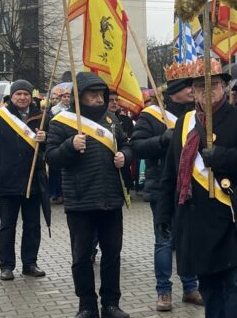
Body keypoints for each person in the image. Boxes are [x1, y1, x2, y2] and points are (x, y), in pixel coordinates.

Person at [157, 59, 237, 317]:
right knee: (211, 292)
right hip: (197, 222)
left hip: (232, 218)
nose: (207, 91)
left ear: (225, 88)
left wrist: (221, 156)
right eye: (200, 86)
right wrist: (163, 213)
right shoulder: (184, 125)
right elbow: (170, 175)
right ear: (193, 91)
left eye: (214, 84)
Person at [46, 72, 132, 318]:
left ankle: (111, 304)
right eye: (92, 94)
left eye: (101, 94)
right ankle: (86, 305)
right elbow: (51, 157)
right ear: (79, 96)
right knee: (81, 256)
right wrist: (69, 146)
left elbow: (127, 144)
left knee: (112, 254)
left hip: (111, 198)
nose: (98, 98)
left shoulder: (112, 120)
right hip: (80, 199)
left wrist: (125, 156)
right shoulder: (62, 122)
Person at [131, 72, 203, 312]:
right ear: (174, 92)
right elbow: (137, 147)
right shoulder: (151, 115)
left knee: (189, 238)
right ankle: (164, 292)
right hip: (162, 186)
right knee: (164, 240)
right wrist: (162, 140)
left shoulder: (197, 114)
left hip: (192, 186)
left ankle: (190, 287)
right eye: (187, 87)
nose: (193, 91)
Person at [0, 80, 48, 280]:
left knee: (32, 225)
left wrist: (45, 140)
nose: (22, 97)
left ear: (31, 96)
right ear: (12, 97)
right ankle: (6, 266)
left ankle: (30, 263)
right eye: (18, 94)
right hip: (8, 180)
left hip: (33, 181)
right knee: (8, 226)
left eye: (26, 94)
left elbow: (52, 148)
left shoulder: (42, 117)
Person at [108, 91, 135, 192]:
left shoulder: (126, 120)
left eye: (116, 100)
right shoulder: (99, 120)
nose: (114, 102)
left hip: (122, 158)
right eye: (111, 100)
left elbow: (132, 136)